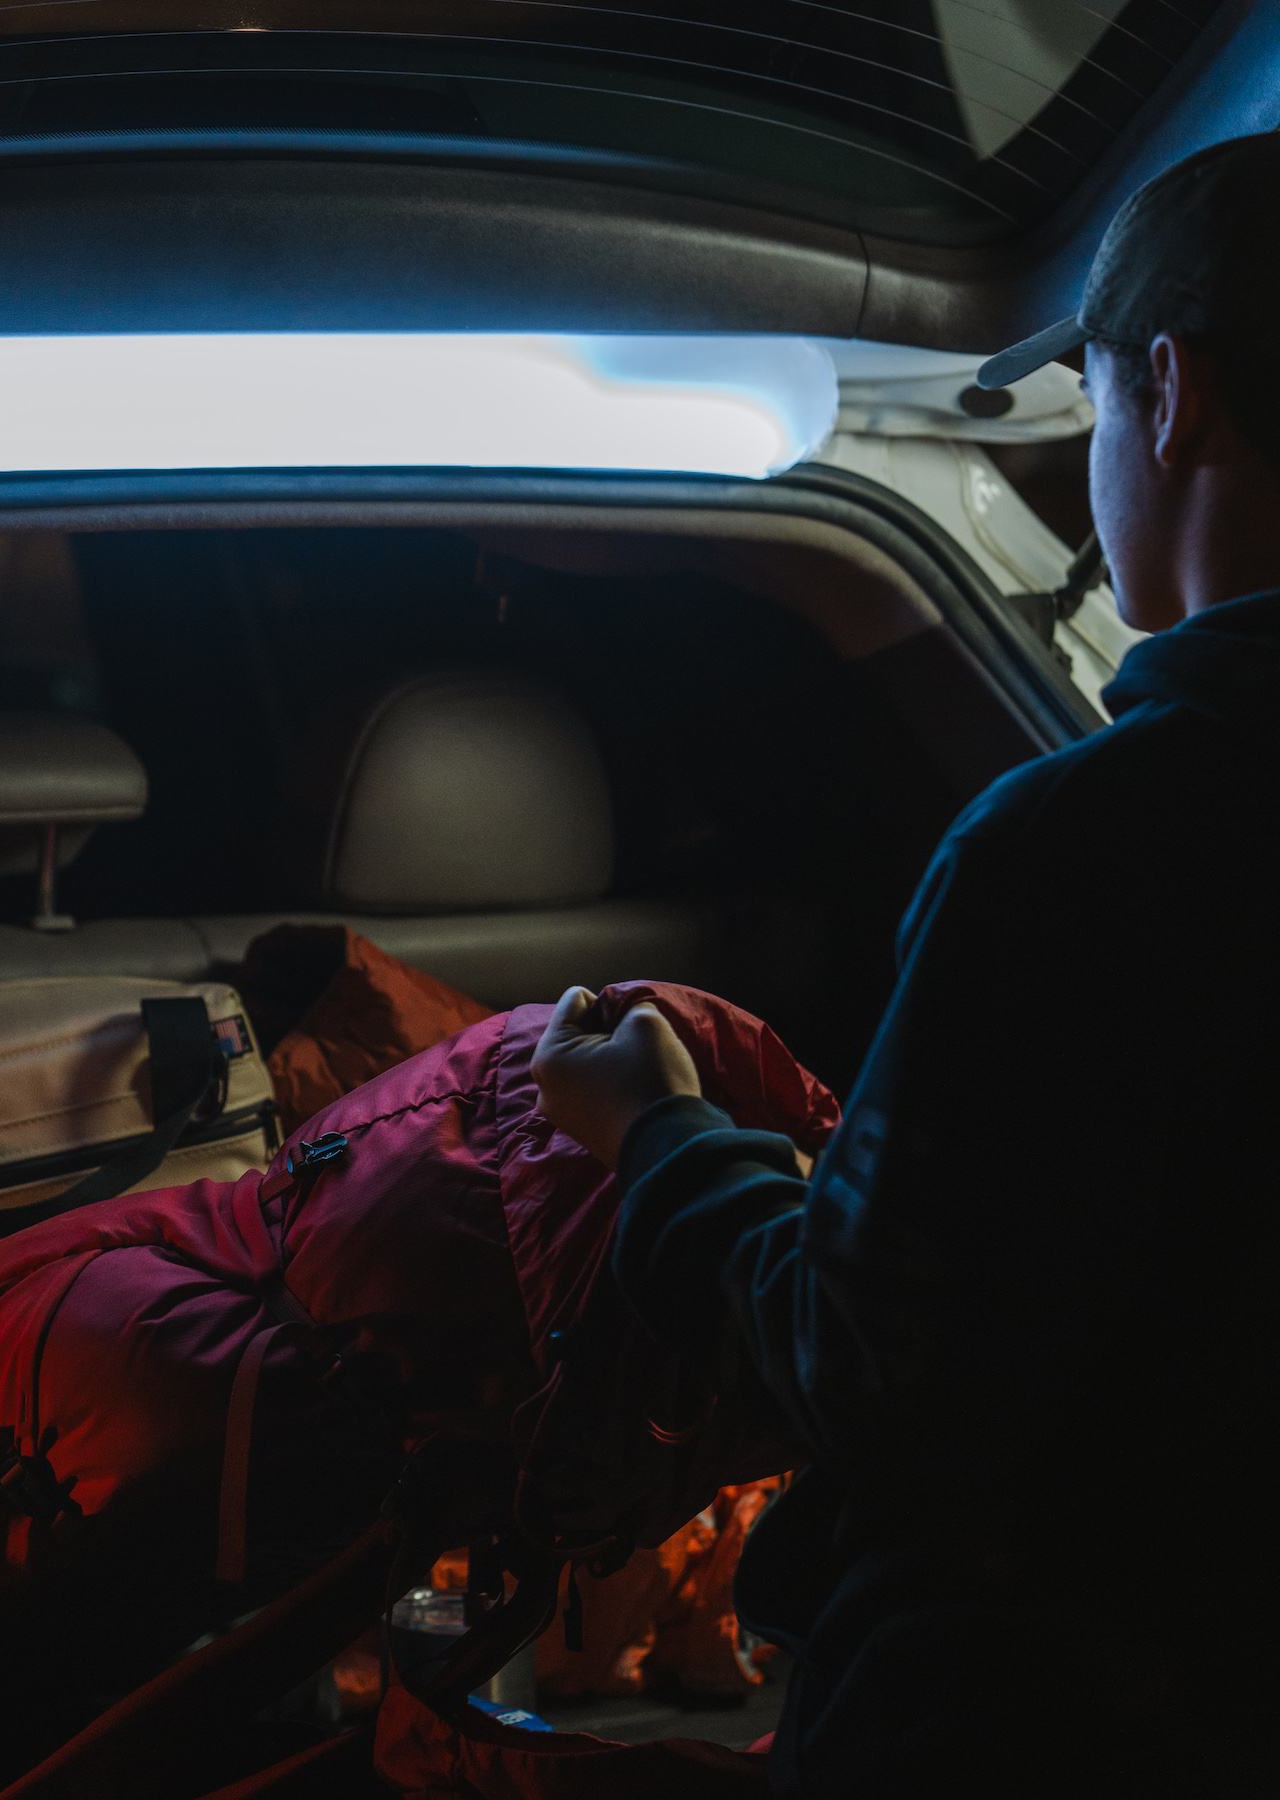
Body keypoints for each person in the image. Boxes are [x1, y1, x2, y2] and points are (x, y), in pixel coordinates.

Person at [533, 132, 1280, 1798]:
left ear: (1171, 394)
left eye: (1085, 407)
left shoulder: (1087, 852)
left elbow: (878, 1384)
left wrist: (656, 1138)